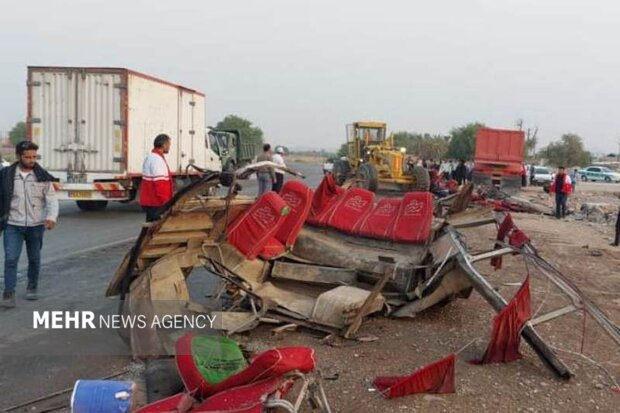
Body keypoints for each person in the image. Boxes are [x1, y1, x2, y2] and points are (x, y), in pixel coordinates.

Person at [0, 141, 58, 308]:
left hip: (36, 225)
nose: (32, 160)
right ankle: (8, 292)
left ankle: (32, 286)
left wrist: (51, 217)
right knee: (11, 258)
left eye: (34, 156)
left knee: (34, 258)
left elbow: (52, 199)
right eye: (28, 157)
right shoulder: (6, 175)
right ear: (19, 157)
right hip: (12, 224)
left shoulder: (42, 177)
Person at [140, 134, 174, 222]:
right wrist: (166, 203)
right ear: (164, 145)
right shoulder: (157, 160)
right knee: (157, 230)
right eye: (169, 144)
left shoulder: (151, 157)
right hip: (156, 203)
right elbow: (160, 184)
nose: (169, 147)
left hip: (151, 202)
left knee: (150, 228)